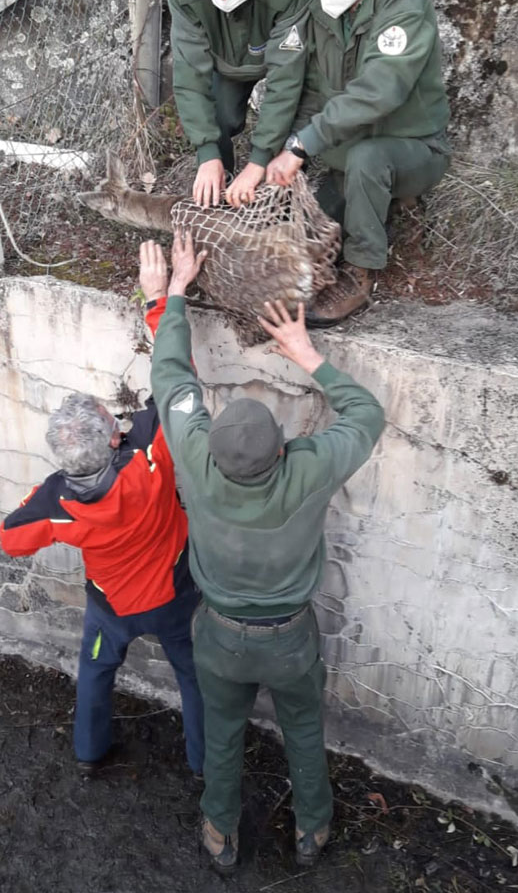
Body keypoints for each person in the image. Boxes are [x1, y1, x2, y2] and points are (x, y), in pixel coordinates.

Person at [141, 232, 385, 872]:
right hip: (289, 639)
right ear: (281, 449)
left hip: (219, 635)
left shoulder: (195, 458)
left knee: (223, 734)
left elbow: (171, 377)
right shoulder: (307, 470)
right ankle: (314, 832)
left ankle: (220, 834)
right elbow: (365, 416)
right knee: (304, 729)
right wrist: (307, 354)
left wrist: (172, 294)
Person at [0, 288, 204, 780]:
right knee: (195, 679)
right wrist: (161, 301)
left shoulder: (56, 501)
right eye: (115, 420)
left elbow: (11, 538)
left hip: (111, 608)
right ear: (114, 437)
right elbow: (179, 383)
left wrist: (49, 506)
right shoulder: (149, 452)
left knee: (94, 671)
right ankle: (203, 766)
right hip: (177, 594)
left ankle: (90, 754)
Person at [267, 0, 452, 326]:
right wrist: (286, 150)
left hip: (414, 146)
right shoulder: (325, 5)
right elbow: (314, 90)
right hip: (349, 145)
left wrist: (304, 145)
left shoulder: (404, 1)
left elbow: (379, 90)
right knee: (317, 227)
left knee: (368, 160)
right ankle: (364, 203)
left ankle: (361, 274)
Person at [168, 0, 312, 210]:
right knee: (217, 119)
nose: (223, 0)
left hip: (281, 55)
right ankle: (222, 197)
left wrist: (259, 160)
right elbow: (189, 75)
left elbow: (286, 81)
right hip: (227, 62)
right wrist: (207, 154)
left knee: (283, 142)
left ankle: (280, 208)